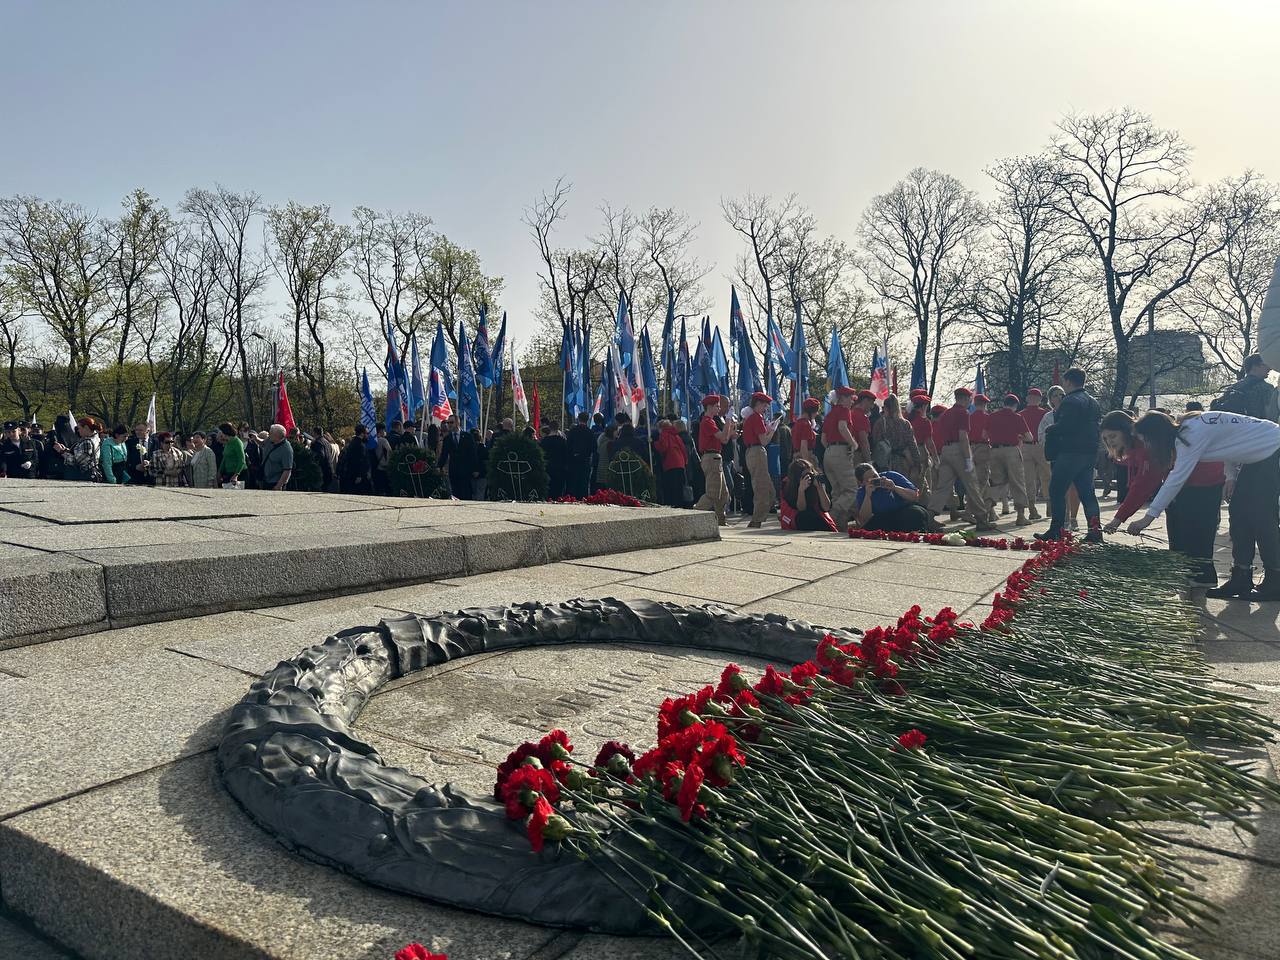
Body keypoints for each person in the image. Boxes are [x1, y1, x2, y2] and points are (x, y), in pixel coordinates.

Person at [1125, 410, 1280, 600]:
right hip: (1258, 454)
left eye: (1146, 441)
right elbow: (1232, 443)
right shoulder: (1189, 429)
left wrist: (1147, 518)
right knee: (1239, 516)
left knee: (1262, 518)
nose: (1147, 446)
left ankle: (1275, 580)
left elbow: (1176, 478)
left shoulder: (1190, 435)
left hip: (1272, 446)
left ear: (1156, 436)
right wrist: (1230, 476)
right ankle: (1242, 576)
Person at [1100, 410, 1224, 587]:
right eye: (1106, 439)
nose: (1110, 442)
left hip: (1201, 480)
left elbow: (1144, 483)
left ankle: (1201, 576)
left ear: (1127, 431)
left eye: (1112, 436)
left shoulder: (1145, 442)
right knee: (1178, 528)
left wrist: (1121, 518)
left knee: (1196, 529)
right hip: (1185, 482)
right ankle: (1185, 571)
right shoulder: (1141, 442)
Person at [1038, 368, 1102, 543]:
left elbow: (1066, 426)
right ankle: (1095, 531)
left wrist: (1050, 429)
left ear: (1067, 381)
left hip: (1070, 452)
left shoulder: (1070, 401)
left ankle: (1056, 530)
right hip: (1089, 453)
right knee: (1087, 493)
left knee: (1056, 490)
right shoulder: (1093, 401)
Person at [926, 388, 994, 530]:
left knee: (942, 486)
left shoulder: (945, 414)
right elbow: (963, 436)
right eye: (969, 398)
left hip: (946, 450)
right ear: (964, 398)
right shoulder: (963, 413)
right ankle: (982, 519)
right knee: (972, 485)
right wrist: (968, 458)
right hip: (959, 450)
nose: (971, 401)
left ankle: (930, 515)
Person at [986, 394, 1032, 526]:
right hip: (1011, 450)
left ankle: (988, 509)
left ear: (1004, 403)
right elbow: (1029, 437)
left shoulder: (992, 416)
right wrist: (1018, 436)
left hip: (994, 451)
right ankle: (1021, 516)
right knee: (1017, 482)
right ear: (1015, 406)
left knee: (997, 483)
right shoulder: (1017, 417)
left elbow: (984, 434)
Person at [822, 386, 861, 529]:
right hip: (840, 451)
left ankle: (838, 526)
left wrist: (833, 450)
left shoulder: (830, 414)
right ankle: (831, 517)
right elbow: (842, 427)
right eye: (850, 398)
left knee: (837, 491)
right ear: (843, 398)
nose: (852, 401)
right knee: (851, 489)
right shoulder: (844, 411)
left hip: (829, 452)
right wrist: (853, 444)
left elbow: (823, 439)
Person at [854, 462, 933, 533]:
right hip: (884, 517)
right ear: (862, 483)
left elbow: (915, 496)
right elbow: (864, 519)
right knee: (868, 528)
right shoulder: (862, 492)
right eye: (870, 480)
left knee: (916, 513)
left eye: (875, 476)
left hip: (903, 511)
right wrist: (868, 496)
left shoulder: (891, 476)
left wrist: (895, 487)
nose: (875, 480)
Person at [693, 395, 734, 525]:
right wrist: (728, 420)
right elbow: (723, 438)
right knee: (712, 493)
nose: (719, 408)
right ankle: (694, 514)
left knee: (723, 494)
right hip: (712, 458)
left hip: (714, 457)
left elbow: (725, 439)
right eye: (717, 406)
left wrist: (728, 424)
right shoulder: (707, 421)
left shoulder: (710, 421)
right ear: (710, 407)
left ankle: (721, 520)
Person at [871, 394, 924, 492]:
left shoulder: (880, 423)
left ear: (885, 407)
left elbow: (875, 442)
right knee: (902, 488)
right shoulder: (905, 424)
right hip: (903, 461)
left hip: (884, 462)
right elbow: (912, 445)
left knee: (886, 488)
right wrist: (917, 463)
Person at [742, 391, 779, 528]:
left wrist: (767, 428)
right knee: (762, 488)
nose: (766, 409)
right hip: (757, 451)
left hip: (753, 452)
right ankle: (756, 520)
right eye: (764, 406)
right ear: (757, 404)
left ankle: (759, 517)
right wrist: (772, 431)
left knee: (769, 490)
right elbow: (764, 441)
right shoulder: (757, 417)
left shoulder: (752, 418)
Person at [1212, 354, 1278, 422]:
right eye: (1265, 364)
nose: (1269, 368)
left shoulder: (1232, 388)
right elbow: (1271, 416)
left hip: (1237, 429)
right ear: (1254, 366)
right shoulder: (1266, 388)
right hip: (1258, 429)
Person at [779, 457, 836, 532]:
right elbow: (801, 509)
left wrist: (820, 488)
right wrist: (801, 490)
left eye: (811, 472)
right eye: (806, 474)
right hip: (797, 516)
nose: (810, 476)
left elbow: (826, 508)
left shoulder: (816, 482)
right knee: (803, 517)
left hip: (815, 515)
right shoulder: (789, 486)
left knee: (819, 520)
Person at [1019, 388, 1049, 514]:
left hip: (1025, 446)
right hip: (1041, 446)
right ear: (1040, 400)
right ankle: (1049, 504)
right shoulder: (1045, 413)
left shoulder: (1021, 414)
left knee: (1028, 478)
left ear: (1027, 399)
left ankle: (1032, 507)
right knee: (1046, 476)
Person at [967, 394, 995, 523]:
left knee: (977, 480)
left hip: (970, 448)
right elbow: (988, 434)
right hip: (983, 448)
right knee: (982, 480)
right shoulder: (988, 418)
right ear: (984, 404)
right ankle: (969, 510)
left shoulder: (969, 417)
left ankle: (990, 511)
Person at [905, 392, 935, 497]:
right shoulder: (925, 421)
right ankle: (920, 502)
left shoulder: (906, 419)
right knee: (921, 479)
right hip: (920, 450)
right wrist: (935, 458)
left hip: (907, 452)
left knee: (911, 478)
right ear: (923, 406)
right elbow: (930, 442)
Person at [654, 418, 689, 507]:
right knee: (679, 487)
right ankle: (680, 505)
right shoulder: (676, 435)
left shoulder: (664, 434)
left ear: (661, 428)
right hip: (680, 464)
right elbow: (683, 449)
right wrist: (685, 462)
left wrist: (655, 444)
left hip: (670, 463)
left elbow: (664, 447)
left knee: (672, 487)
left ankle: (674, 505)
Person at [59, 417, 103, 482]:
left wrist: (62, 452)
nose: (78, 430)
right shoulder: (96, 439)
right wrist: (66, 450)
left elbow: (75, 461)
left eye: (79, 428)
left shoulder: (87, 442)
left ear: (86, 427)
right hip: (91, 473)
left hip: (84, 476)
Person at [566, 412, 595, 498]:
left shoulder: (573, 431)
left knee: (573, 481)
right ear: (588, 419)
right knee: (584, 482)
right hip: (585, 460)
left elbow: (568, 446)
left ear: (578, 419)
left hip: (573, 460)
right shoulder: (590, 432)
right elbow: (594, 447)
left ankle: (572, 498)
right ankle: (583, 498)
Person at [338, 425, 374, 495]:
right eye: (367, 433)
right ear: (362, 434)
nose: (368, 436)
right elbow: (360, 461)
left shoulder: (352, 443)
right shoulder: (360, 445)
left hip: (352, 476)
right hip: (359, 478)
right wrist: (359, 475)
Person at [539, 420, 570, 499]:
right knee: (558, 491)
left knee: (548, 491)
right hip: (560, 469)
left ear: (549, 428)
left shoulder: (544, 441)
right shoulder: (562, 441)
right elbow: (566, 456)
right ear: (558, 428)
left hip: (548, 468)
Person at [261, 424, 295, 491]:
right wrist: (255, 438)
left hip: (276, 482)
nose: (268, 434)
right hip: (266, 480)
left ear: (277, 436)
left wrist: (278, 486)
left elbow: (287, 470)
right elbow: (262, 443)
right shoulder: (270, 440)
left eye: (270, 433)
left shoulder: (286, 450)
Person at [791, 397, 819, 463]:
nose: (817, 414)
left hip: (797, 458)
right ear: (811, 412)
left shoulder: (797, 423)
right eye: (816, 411)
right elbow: (803, 447)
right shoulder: (806, 425)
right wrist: (808, 465)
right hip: (804, 457)